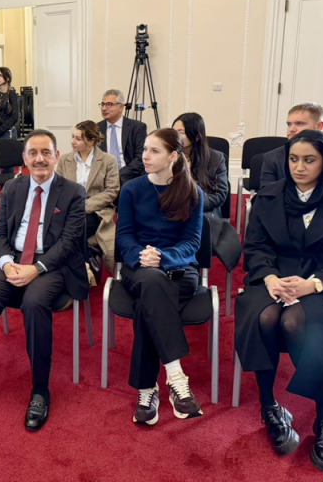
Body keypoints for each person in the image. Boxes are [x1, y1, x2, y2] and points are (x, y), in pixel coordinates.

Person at [235, 130, 323, 473]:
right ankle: (270, 405)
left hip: (322, 284)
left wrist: (314, 284)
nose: (299, 167)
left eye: (309, 160)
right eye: (294, 159)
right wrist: (270, 278)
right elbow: (255, 247)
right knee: (264, 317)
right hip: (274, 279)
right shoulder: (267, 198)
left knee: (297, 321)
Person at [0, 130, 87, 432]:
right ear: (24, 158)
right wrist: (6, 263)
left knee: (34, 304)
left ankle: (40, 389)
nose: (39, 159)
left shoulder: (73, 192)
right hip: (12, 260)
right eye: (33, 153)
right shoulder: (12, 187)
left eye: (46, 152)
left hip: (51, 264)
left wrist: (36, 268)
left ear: (56, 156)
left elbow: (68, 242)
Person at [115, 128, 205, 425]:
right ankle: (176, 376)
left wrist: (163, 257)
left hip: (179, 270)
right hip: (139, 267)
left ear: (173, 156)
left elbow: (192, 243)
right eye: (144, 149)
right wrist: (143, 256)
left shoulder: (192, 192)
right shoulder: (132, 189)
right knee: (151, 281)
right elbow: (124, 236)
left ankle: (147, 389)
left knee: (147, 304)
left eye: (154, 151)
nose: (145, 156)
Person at [173, 113, 240, 272]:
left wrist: (192, 205)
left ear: (196, 136)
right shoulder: (169, 156)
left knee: (195, 229)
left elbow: (220, 195)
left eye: (181, 132)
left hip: (203, 212)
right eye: (173, 131)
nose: (175, 136)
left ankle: (191, 271)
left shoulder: (215, 158)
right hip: (172, 210)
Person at [55, 121, 119, 275]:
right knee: (66, 225)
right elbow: (57, 187)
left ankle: (76, 268)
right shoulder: (65, 159)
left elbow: (112, 191)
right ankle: (87, 260)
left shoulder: (108, 160)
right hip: (69, 209)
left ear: (91, 141)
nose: (72, 141)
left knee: (77, 225)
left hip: (97, 211)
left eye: (78, 139)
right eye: (72, 137)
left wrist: (84, 205)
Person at [260, 103, 323, 194]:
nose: (291, 129)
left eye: (299, 123)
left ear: (319, 126)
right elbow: (267, 196)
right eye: (289, 124)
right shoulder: (271, 158)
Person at [96, 89, 147, 186]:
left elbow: (140, 158)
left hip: (131, 177)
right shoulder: (96, 129)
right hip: (104, 179)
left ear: (121, 107)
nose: (104, 108)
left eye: (109, 104)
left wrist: (117, 175)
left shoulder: (137, 127)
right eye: (102, 104)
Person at [0, 67, 19, 140]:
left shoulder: (11, 94)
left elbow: (15, 117)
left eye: (1, 75)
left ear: (7, 78)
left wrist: (1, 129)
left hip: (7, 131)